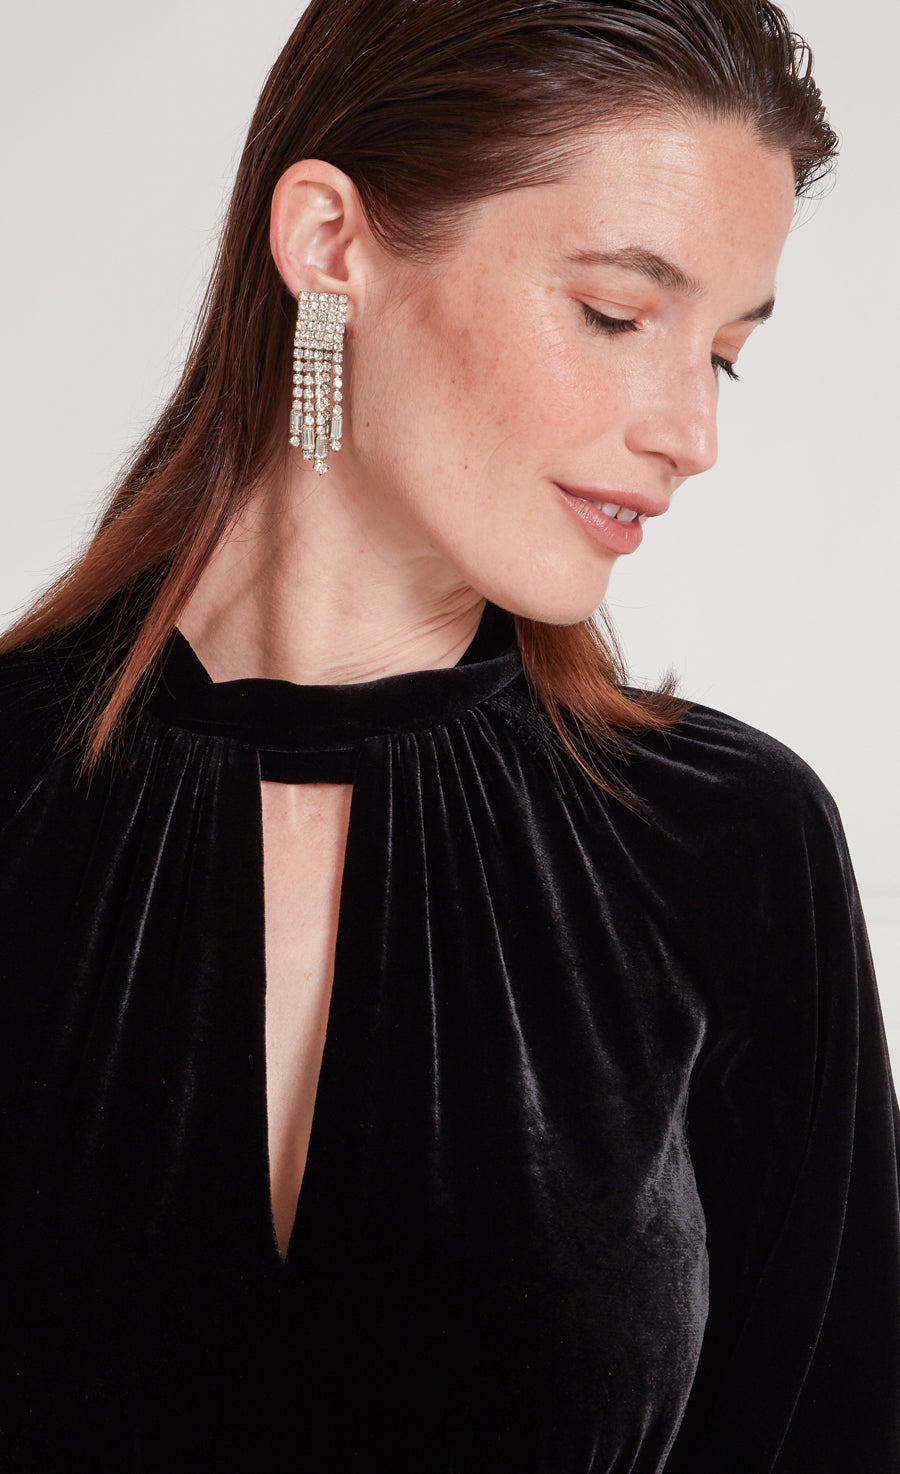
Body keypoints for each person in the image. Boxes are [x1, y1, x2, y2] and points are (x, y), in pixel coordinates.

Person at [1, 0, 897, 1469]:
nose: (692, 433)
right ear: (329, 245)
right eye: (617, 314)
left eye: (725, 355)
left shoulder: (732, 851)